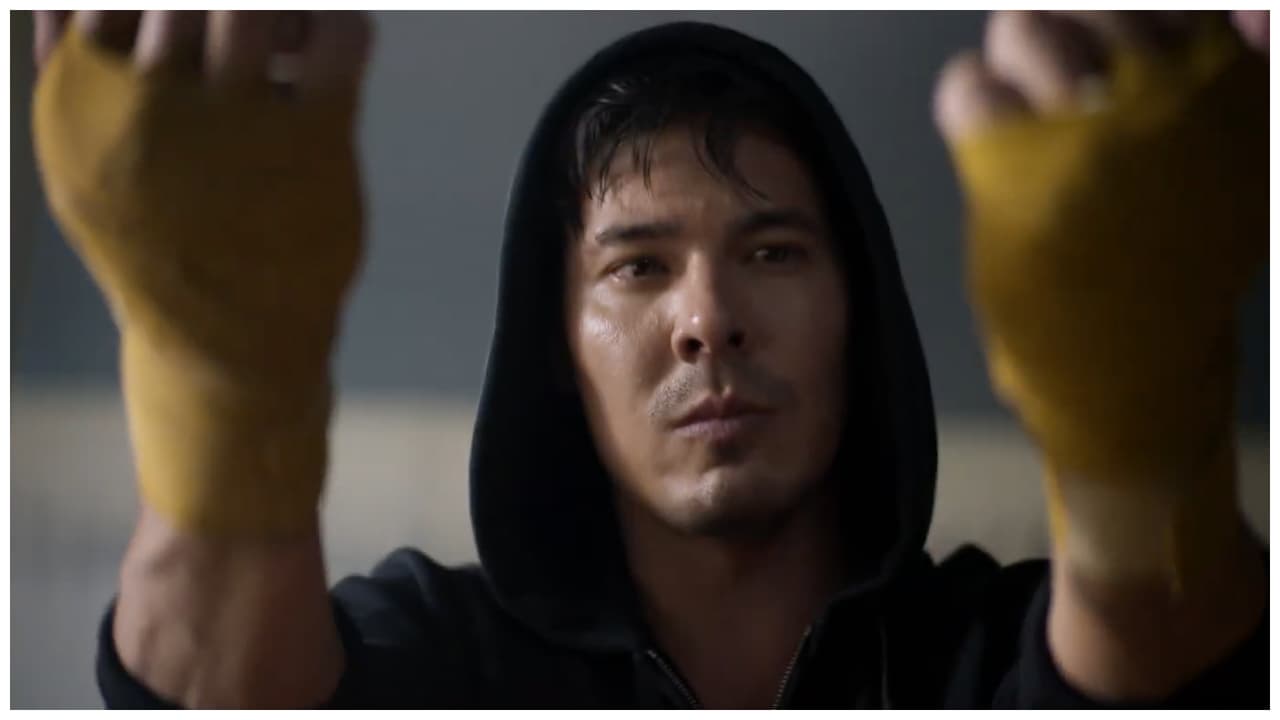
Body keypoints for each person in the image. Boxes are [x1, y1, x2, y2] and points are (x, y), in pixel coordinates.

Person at [30, 10, 1267, 709]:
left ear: (862, 312)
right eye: (636, 267)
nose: (705, 319)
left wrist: (1135, 414)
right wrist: (218, 377)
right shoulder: (434, 652)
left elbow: (1159, 648)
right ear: (558, 353)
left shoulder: (996, 646)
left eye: (771, 252)